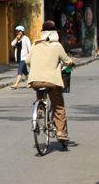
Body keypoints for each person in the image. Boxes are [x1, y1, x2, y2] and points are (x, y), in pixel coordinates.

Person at [29, 20, 74, 148]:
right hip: (52, 81)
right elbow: (66, 60)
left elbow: (27, 60)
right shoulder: (57, 46)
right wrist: (71, 62)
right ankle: (60, 132)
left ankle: (39, 111)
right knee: (58, 106)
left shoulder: (35, 45)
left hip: (35, 81)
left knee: (41, 96)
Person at [10, 25, 32, 89]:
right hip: (18, 57)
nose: (18, 33)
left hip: (24, 58)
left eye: (19, 31)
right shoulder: (17, 39)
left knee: (20, 71)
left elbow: (29, 48)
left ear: (22, 31)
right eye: (17, 31)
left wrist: (29, 57)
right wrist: (16, 38)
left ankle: (16, 84)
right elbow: (12, 44)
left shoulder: (26, 38)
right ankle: (30, 83)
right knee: (25, 71)